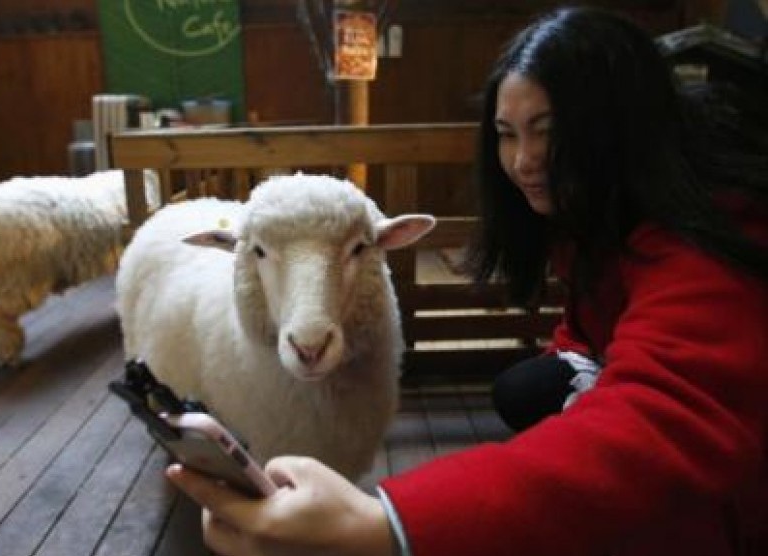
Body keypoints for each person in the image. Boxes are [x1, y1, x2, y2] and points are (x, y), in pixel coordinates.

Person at [166, 6, 768, 556]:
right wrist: (579, 356)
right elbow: (599, 314)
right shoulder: (601, 212)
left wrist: (385, 524)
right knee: (525, 387)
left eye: (549, 130)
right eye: (507, 134)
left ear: (617, 124)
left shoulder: (716, 233)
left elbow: (670, 412)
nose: (525, 160)